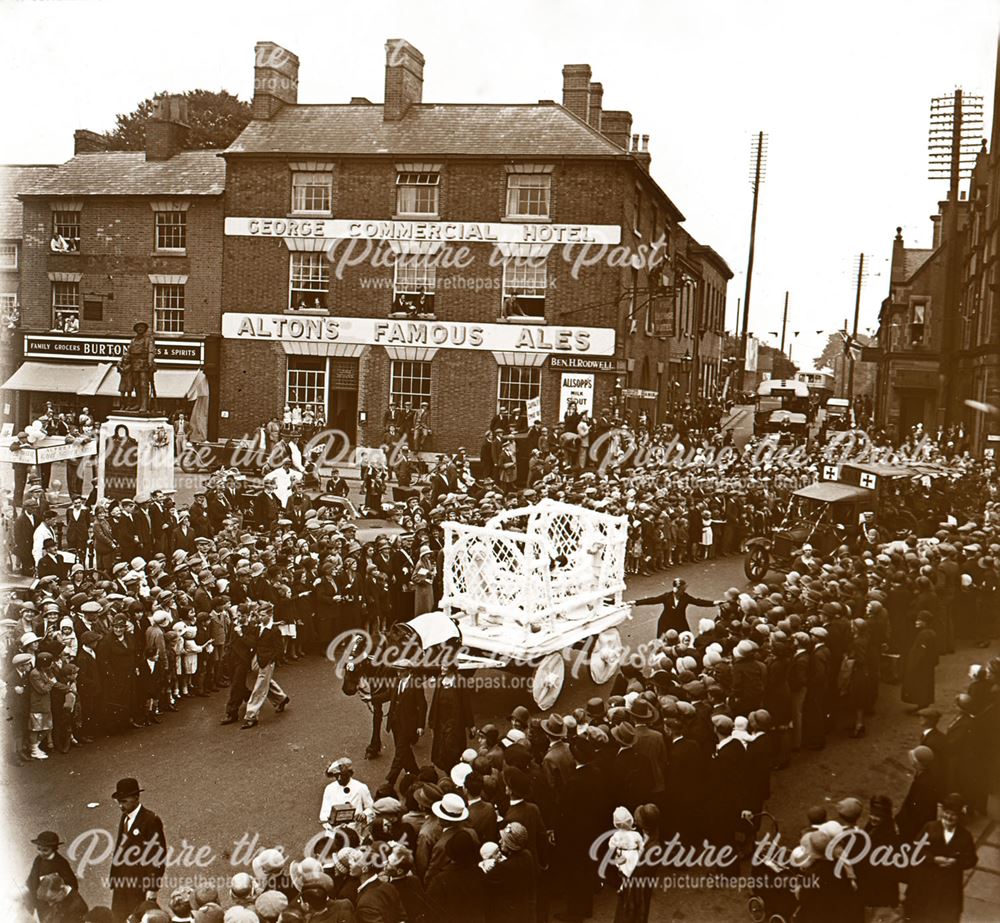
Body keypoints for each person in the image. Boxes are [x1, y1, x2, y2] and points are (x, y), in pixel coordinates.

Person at [904, 793, 978, 923]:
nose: (949, 817)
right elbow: (915, 849)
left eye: (953, 814)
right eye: (947, 812)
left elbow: (971, 858)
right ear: (942, 811)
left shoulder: (965, 836)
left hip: (949, 888)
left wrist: (956, 862)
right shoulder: (930, 828)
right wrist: (932, 859)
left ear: (959, 816)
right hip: (925, 882)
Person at [108, 777, 167, 921]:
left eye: (124, 801)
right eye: (119, 802)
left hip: (139, 884)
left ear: (136, 797)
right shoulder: (125, 817)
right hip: (121, 882)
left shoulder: (151, 820)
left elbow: (158, 856)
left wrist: (152, 888)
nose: (121, 806)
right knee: (118, 917)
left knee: (137, 918)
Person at [634, 577, 719, 637]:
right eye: (682, 589)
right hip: (665, 623)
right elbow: (652, 600)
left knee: (686, 639)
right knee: (663, 642)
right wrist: (636, 602)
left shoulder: (686, 597)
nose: (684, 591)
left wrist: (714, 603)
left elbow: (698, 602)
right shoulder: (666, 596)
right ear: (676, 589)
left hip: (680, 623)